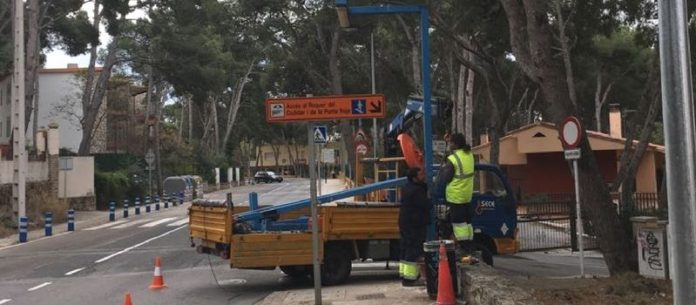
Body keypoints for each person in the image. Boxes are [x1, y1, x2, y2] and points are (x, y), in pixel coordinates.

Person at [437, 133, 475, 255]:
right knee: (467, 223)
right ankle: (469, 246)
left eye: (451, 142)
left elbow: (445, 178)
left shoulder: (453, 159)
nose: (449, 145)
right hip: (466, 195)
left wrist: (443, 168)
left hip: (456, 196)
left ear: (456, 144)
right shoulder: (469, 155)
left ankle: (463, 248)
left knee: (459, 224)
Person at [399, 167, 432, 286]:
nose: (423, 176)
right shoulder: (417, 191)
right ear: (414, 178)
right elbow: (427, 204)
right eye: (421, 174)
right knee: (413, 250)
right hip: (415, 225)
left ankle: (405, 275)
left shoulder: (407, 187)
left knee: (406, 249)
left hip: (406, 223)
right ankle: (409, 279)